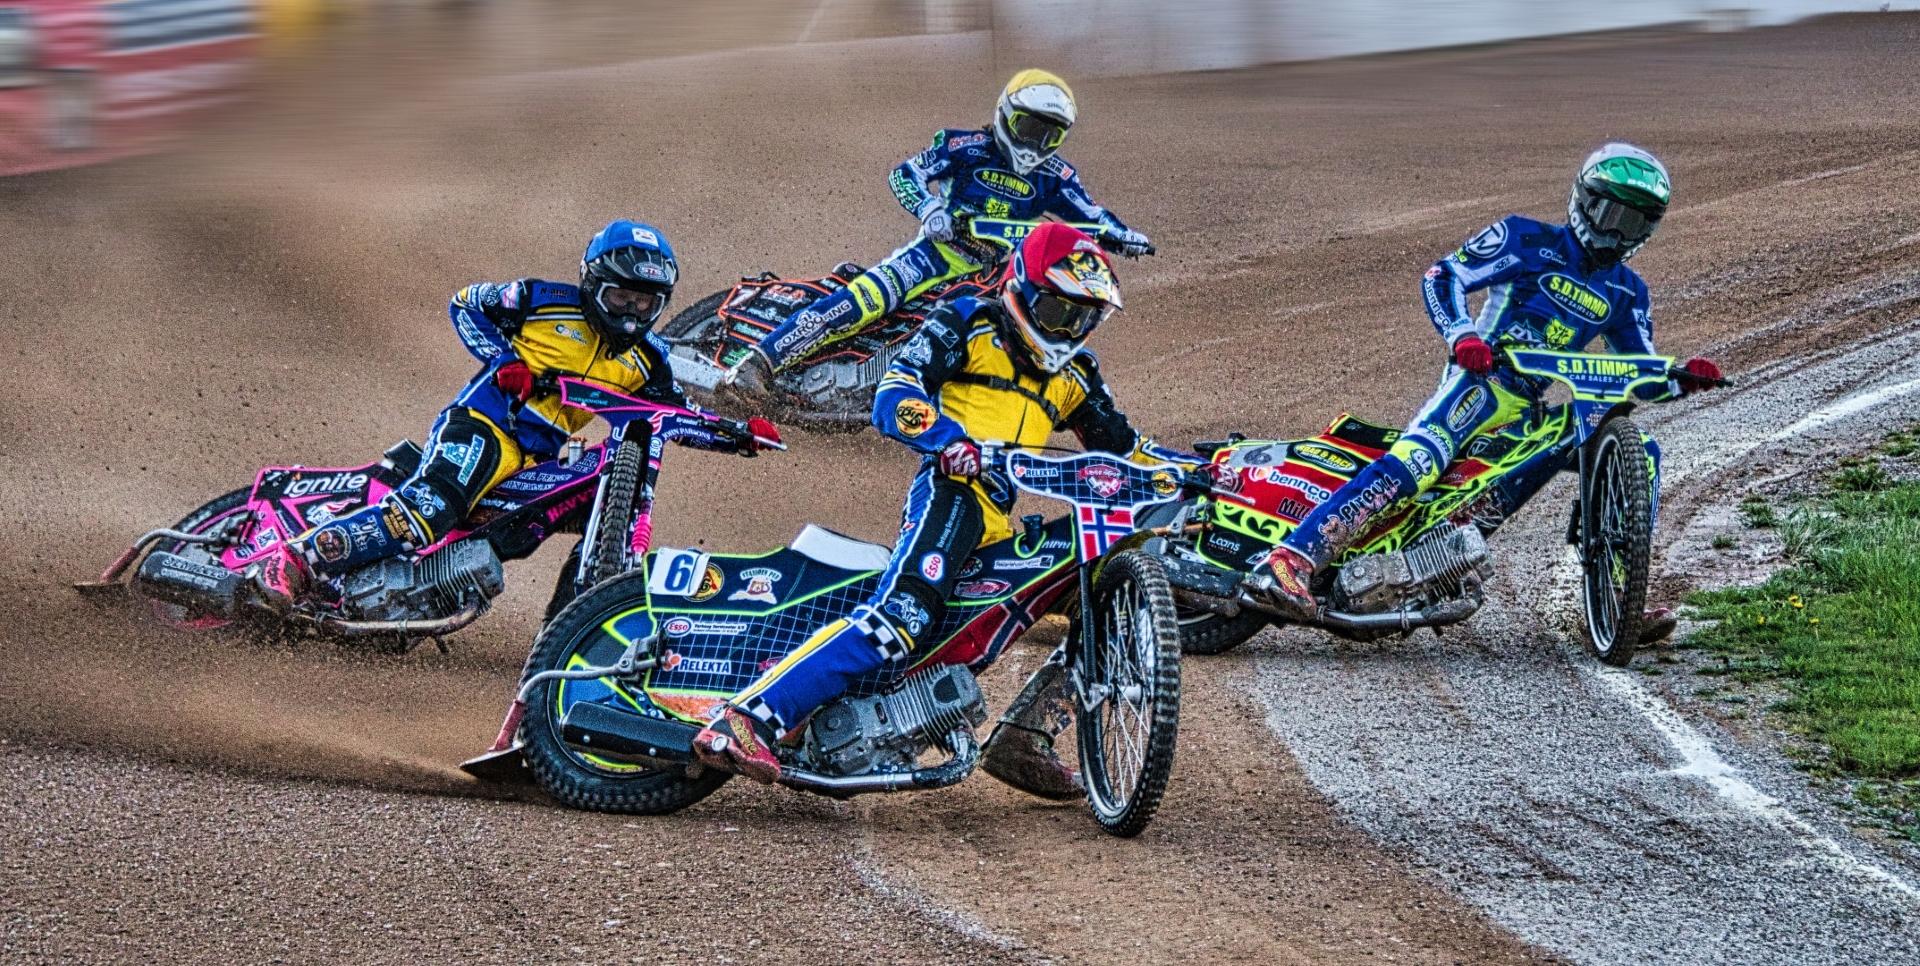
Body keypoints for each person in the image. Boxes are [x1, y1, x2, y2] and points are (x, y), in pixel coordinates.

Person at [692, 223, 1201, 789]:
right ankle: (745, 720)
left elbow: (1128, 451)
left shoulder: (1077, 375)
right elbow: (895, 393)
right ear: (1024, 290)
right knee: (901, 618)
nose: (1068, 330)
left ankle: (1026, 734)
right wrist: (947, 440)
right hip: (950, 490)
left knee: (1102, 593)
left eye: (1084, 318)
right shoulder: (967, 321)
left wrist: (1200, 473)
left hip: (998, 517)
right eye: (1060, 312)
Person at [1251, 143, 1722, 632]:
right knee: (1418, 461)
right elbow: (1443, 275)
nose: (1617, 232)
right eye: (1610, 214)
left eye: (1634, 222)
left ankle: (1619, 598)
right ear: (1584, 201)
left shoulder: (1628, 291)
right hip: (1478, 384)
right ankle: (1291, 560)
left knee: (1642, 450)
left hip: (1529, 410)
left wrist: (1683, 379)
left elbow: (1641, 374)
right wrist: (1463, 336)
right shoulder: (1524, 237)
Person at [254, 220, 747, 602]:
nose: (631, 314)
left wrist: (740, 433)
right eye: (620, 297)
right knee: (433, 509)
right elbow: (466, 303)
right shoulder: (542, 300)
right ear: (593, 282)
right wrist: (505, 360)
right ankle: (297, 560)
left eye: (644, 304)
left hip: (543, 457)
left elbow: (675, 414)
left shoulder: (650, 359)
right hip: (485, 426)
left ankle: (568, 631)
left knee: (586, 511)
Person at [734, 69, 1152, 383]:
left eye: (1050, 135)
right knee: (864, 300)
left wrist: (1124, 236)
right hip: (936, 254)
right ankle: (757, 365)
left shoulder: (1057, 176)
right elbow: (904, 173)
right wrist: (930, 209)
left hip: (999, 275)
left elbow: (1093, 217)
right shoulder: (964, 146)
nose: (1036, 144)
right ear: (1007, 115)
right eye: (1029, 128)